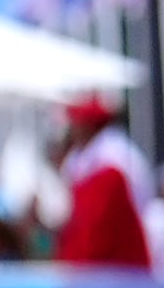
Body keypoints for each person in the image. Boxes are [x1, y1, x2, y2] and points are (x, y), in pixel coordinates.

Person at [48, 95, 153, 271]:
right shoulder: (87, 153)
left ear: (87, 123)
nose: (72, 128)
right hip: (107, 256)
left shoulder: (113, 156)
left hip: (119, 255)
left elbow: (98, 227)